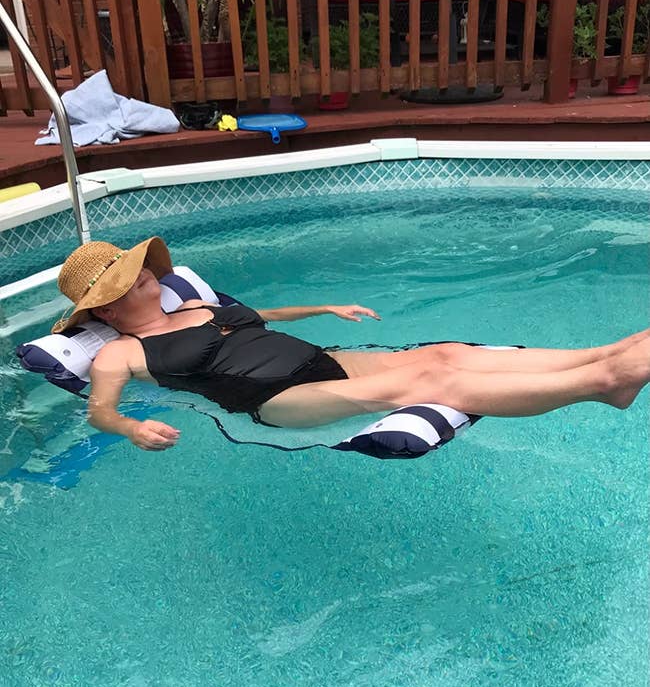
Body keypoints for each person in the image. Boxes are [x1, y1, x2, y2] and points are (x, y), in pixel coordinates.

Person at [52, 237, 650, 453]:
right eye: (131, 280)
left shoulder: (198, 306)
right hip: (276, 397)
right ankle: (603, 383)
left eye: (145, 269)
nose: (149, 278)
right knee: (418, 384)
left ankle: (604, 353)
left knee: (440, 354)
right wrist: (130, 428)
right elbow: (100, 409)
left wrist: (323, 307)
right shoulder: (119, 353)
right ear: (104, 309)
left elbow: (262, 315)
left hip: (323, 359)